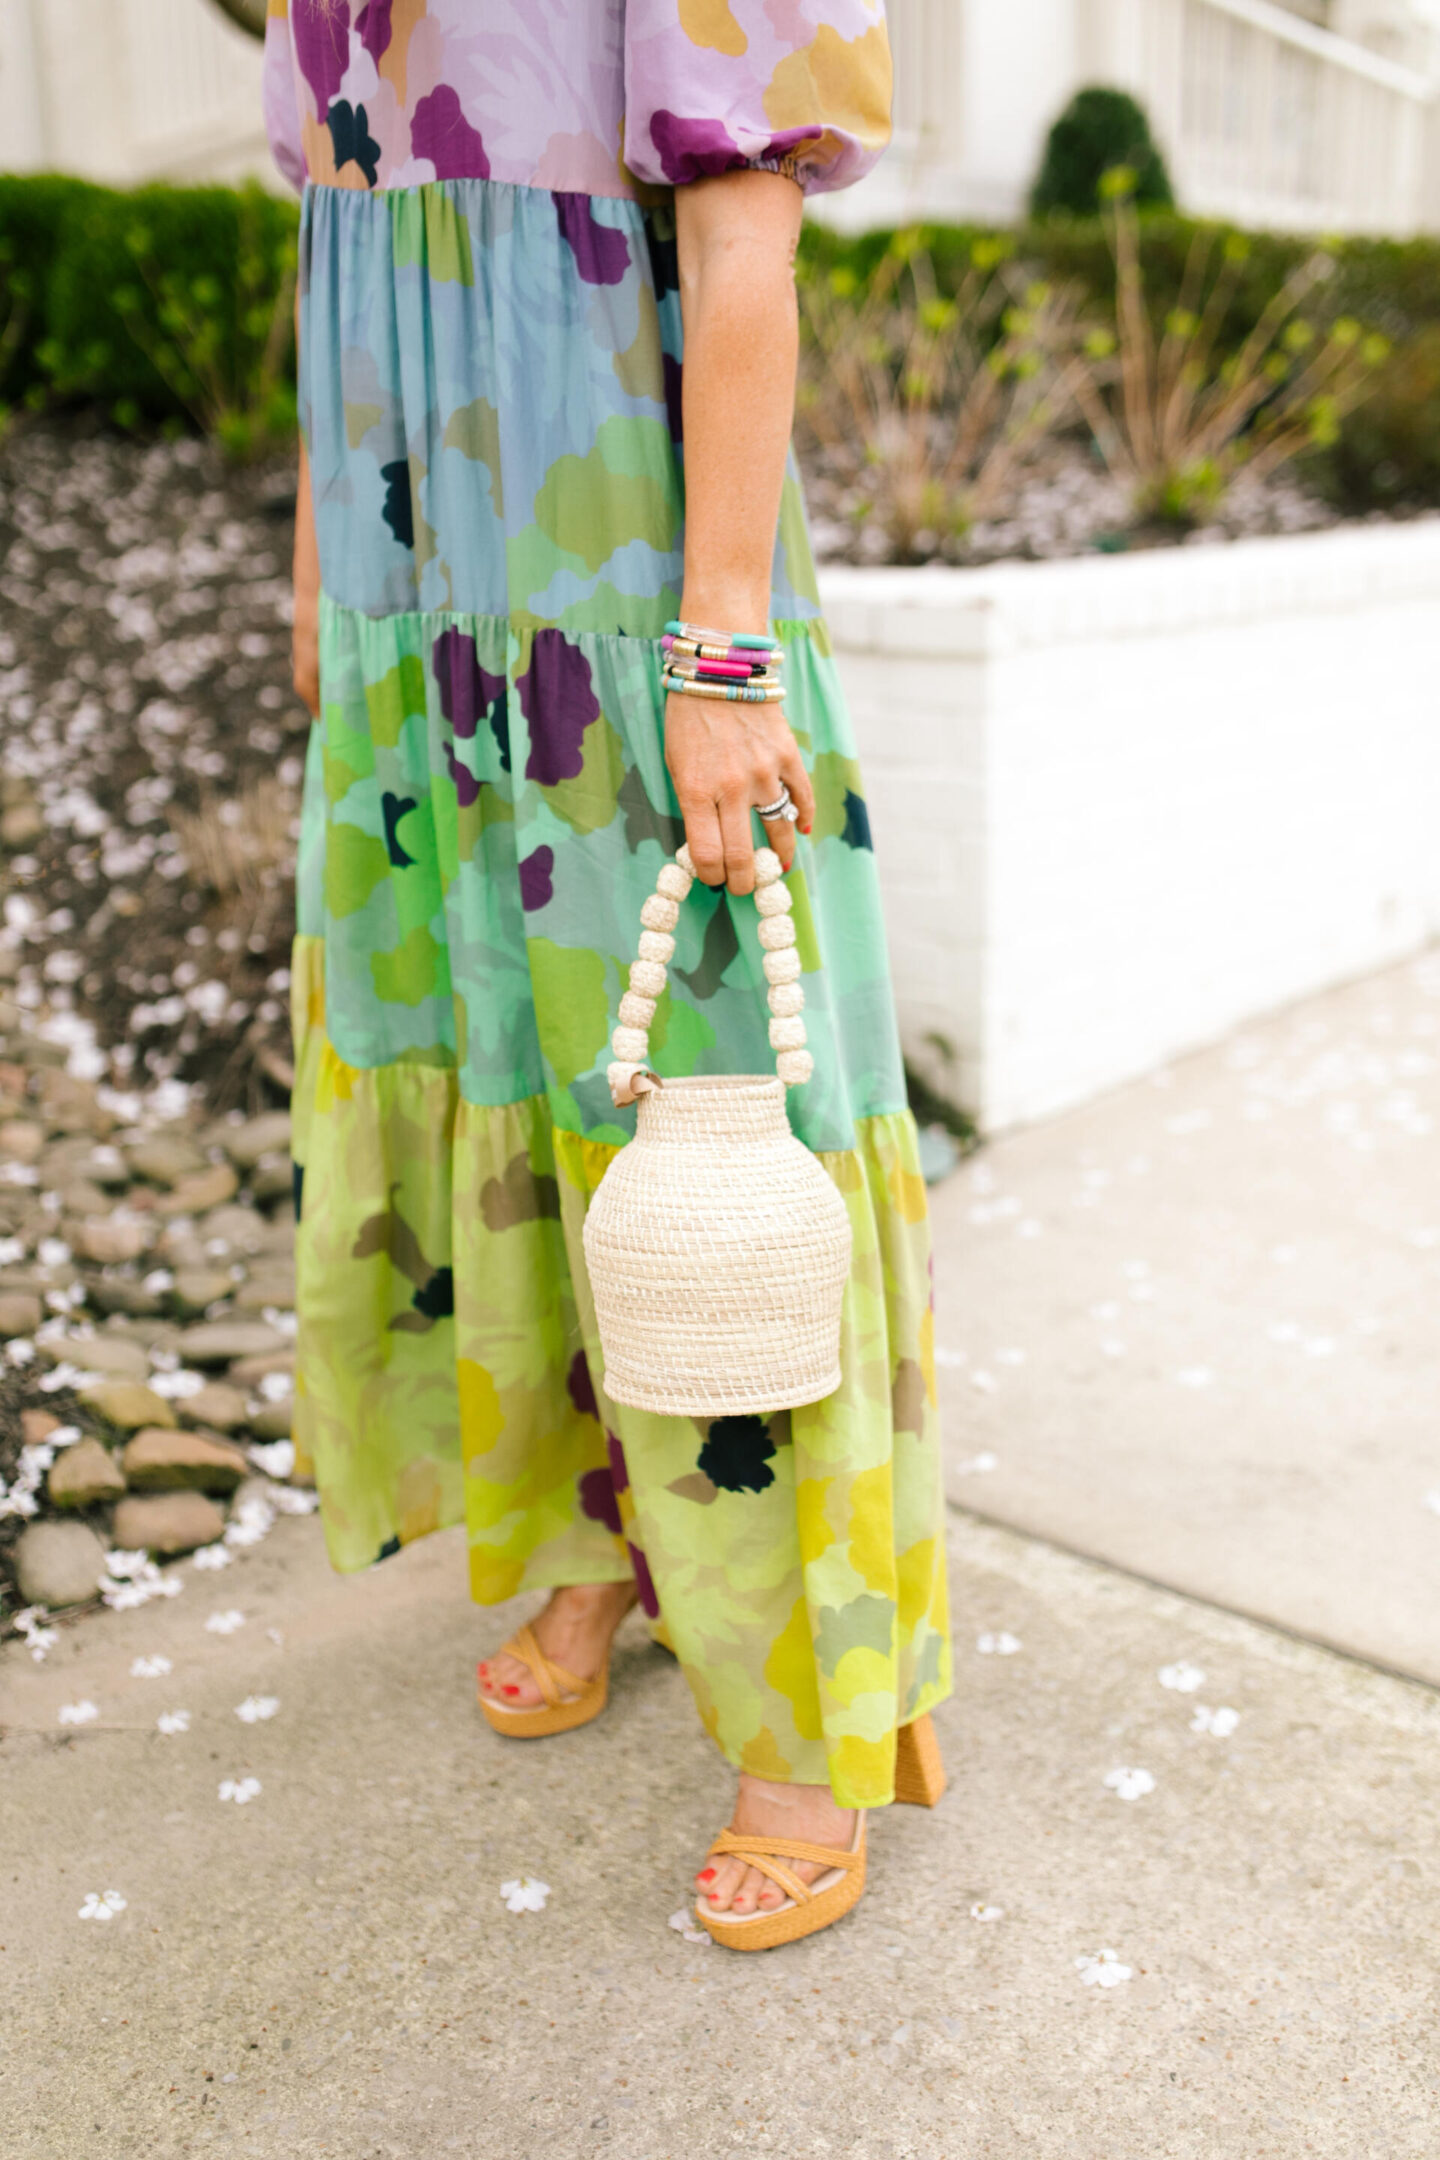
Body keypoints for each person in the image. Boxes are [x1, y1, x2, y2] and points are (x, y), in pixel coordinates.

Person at [264, 0, 950, 1950]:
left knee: (710, 1079)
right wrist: (326, 566)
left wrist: (722, 654)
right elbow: (332, 225)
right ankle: (606, 1532)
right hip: (420, 584)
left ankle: (810, 1700)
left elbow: (745, 235)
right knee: (503, 1044)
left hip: (618, 556)